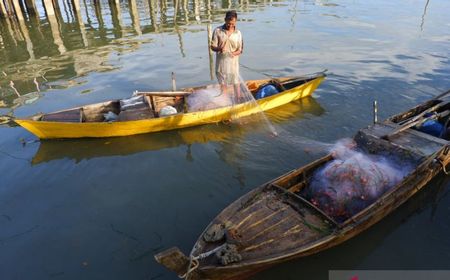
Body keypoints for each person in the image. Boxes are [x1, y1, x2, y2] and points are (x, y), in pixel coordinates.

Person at [210, 10, 243, 100]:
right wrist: (219, 49)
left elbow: (240, 50)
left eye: (233, 24)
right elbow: (212, 46)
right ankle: (225, 102)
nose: (231, 26)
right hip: (221, 65)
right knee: (223, 84)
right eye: (229, 24)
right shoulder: (218, 31)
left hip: (233, 64)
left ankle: (238, 100)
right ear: (225, 20)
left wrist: (233, 53)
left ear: (235, 21)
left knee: (236, 82)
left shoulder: (238, 33)